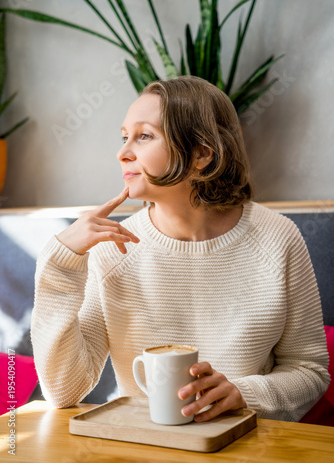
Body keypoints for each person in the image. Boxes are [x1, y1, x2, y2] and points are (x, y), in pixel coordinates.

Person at [31, 76, 330, 422]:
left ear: (202, 153)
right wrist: (60, 266)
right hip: (142, 450)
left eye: (144, 136)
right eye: (124, 136)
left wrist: (242, 394)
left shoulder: (278, 238)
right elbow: (63, 391)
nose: (122, 152)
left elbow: (310, 371)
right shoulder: (113, 249)